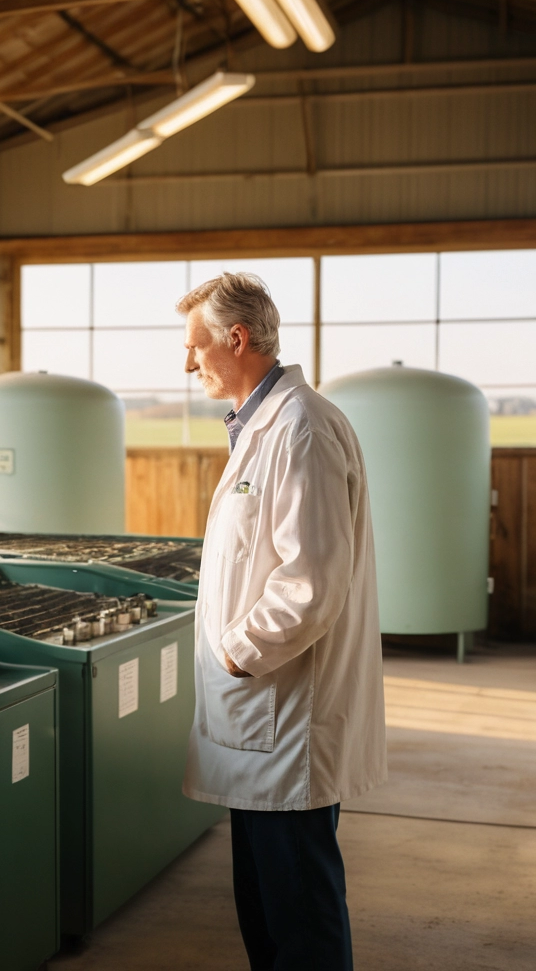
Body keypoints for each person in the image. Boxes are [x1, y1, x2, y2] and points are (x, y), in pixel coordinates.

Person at [179, 273, 386, 971]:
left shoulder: (300, 427)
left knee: (299, 917)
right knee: (264, 911)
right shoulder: (261, 427)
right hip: (258, 723)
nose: (189, 362)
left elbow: (312, 581)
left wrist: (237, 652)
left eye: (196, 344)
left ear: (237, 339)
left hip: (283, 717)